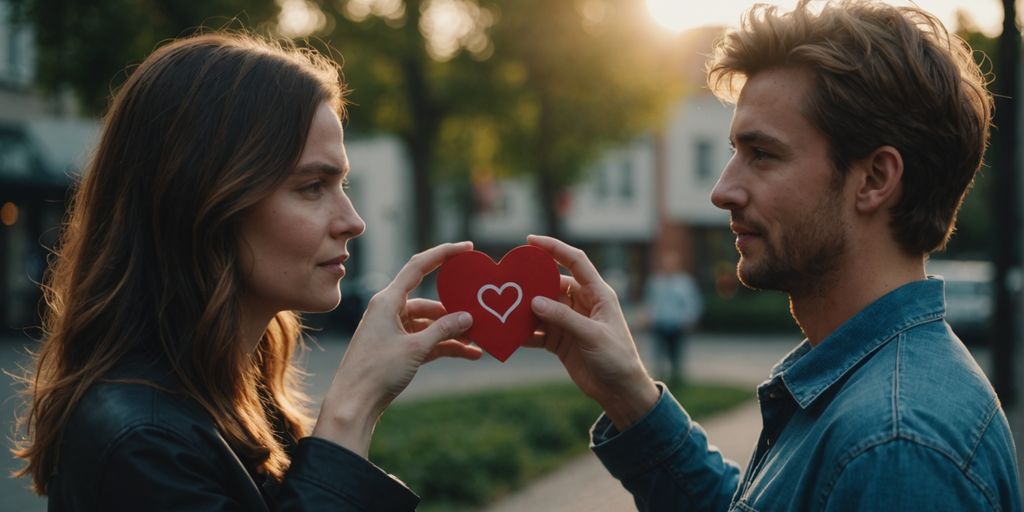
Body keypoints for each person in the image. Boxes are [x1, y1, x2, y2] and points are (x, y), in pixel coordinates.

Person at [526, 0, 1023, 509]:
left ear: (874, 179)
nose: (722, 190)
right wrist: (630, 396)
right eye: (733, 152)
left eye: (761, 154)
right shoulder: (870, 400)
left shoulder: (896, 451)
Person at [11, 32, 482, 510]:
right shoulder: (142, 442)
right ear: (205, 200)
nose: (352, 221)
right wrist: (351, 407)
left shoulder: (235, 399)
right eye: (313, 186)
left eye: (340, 182)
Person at [643, 250, 703, 384]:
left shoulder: (685, 282)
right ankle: (659, 379)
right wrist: (648, 317)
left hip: (677, 324)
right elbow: (650, 302)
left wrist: (690, 319)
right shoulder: (655, 282)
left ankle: (677, 378)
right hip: (660, 323)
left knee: (676, 354)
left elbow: (692, 302)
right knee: (659, 354)